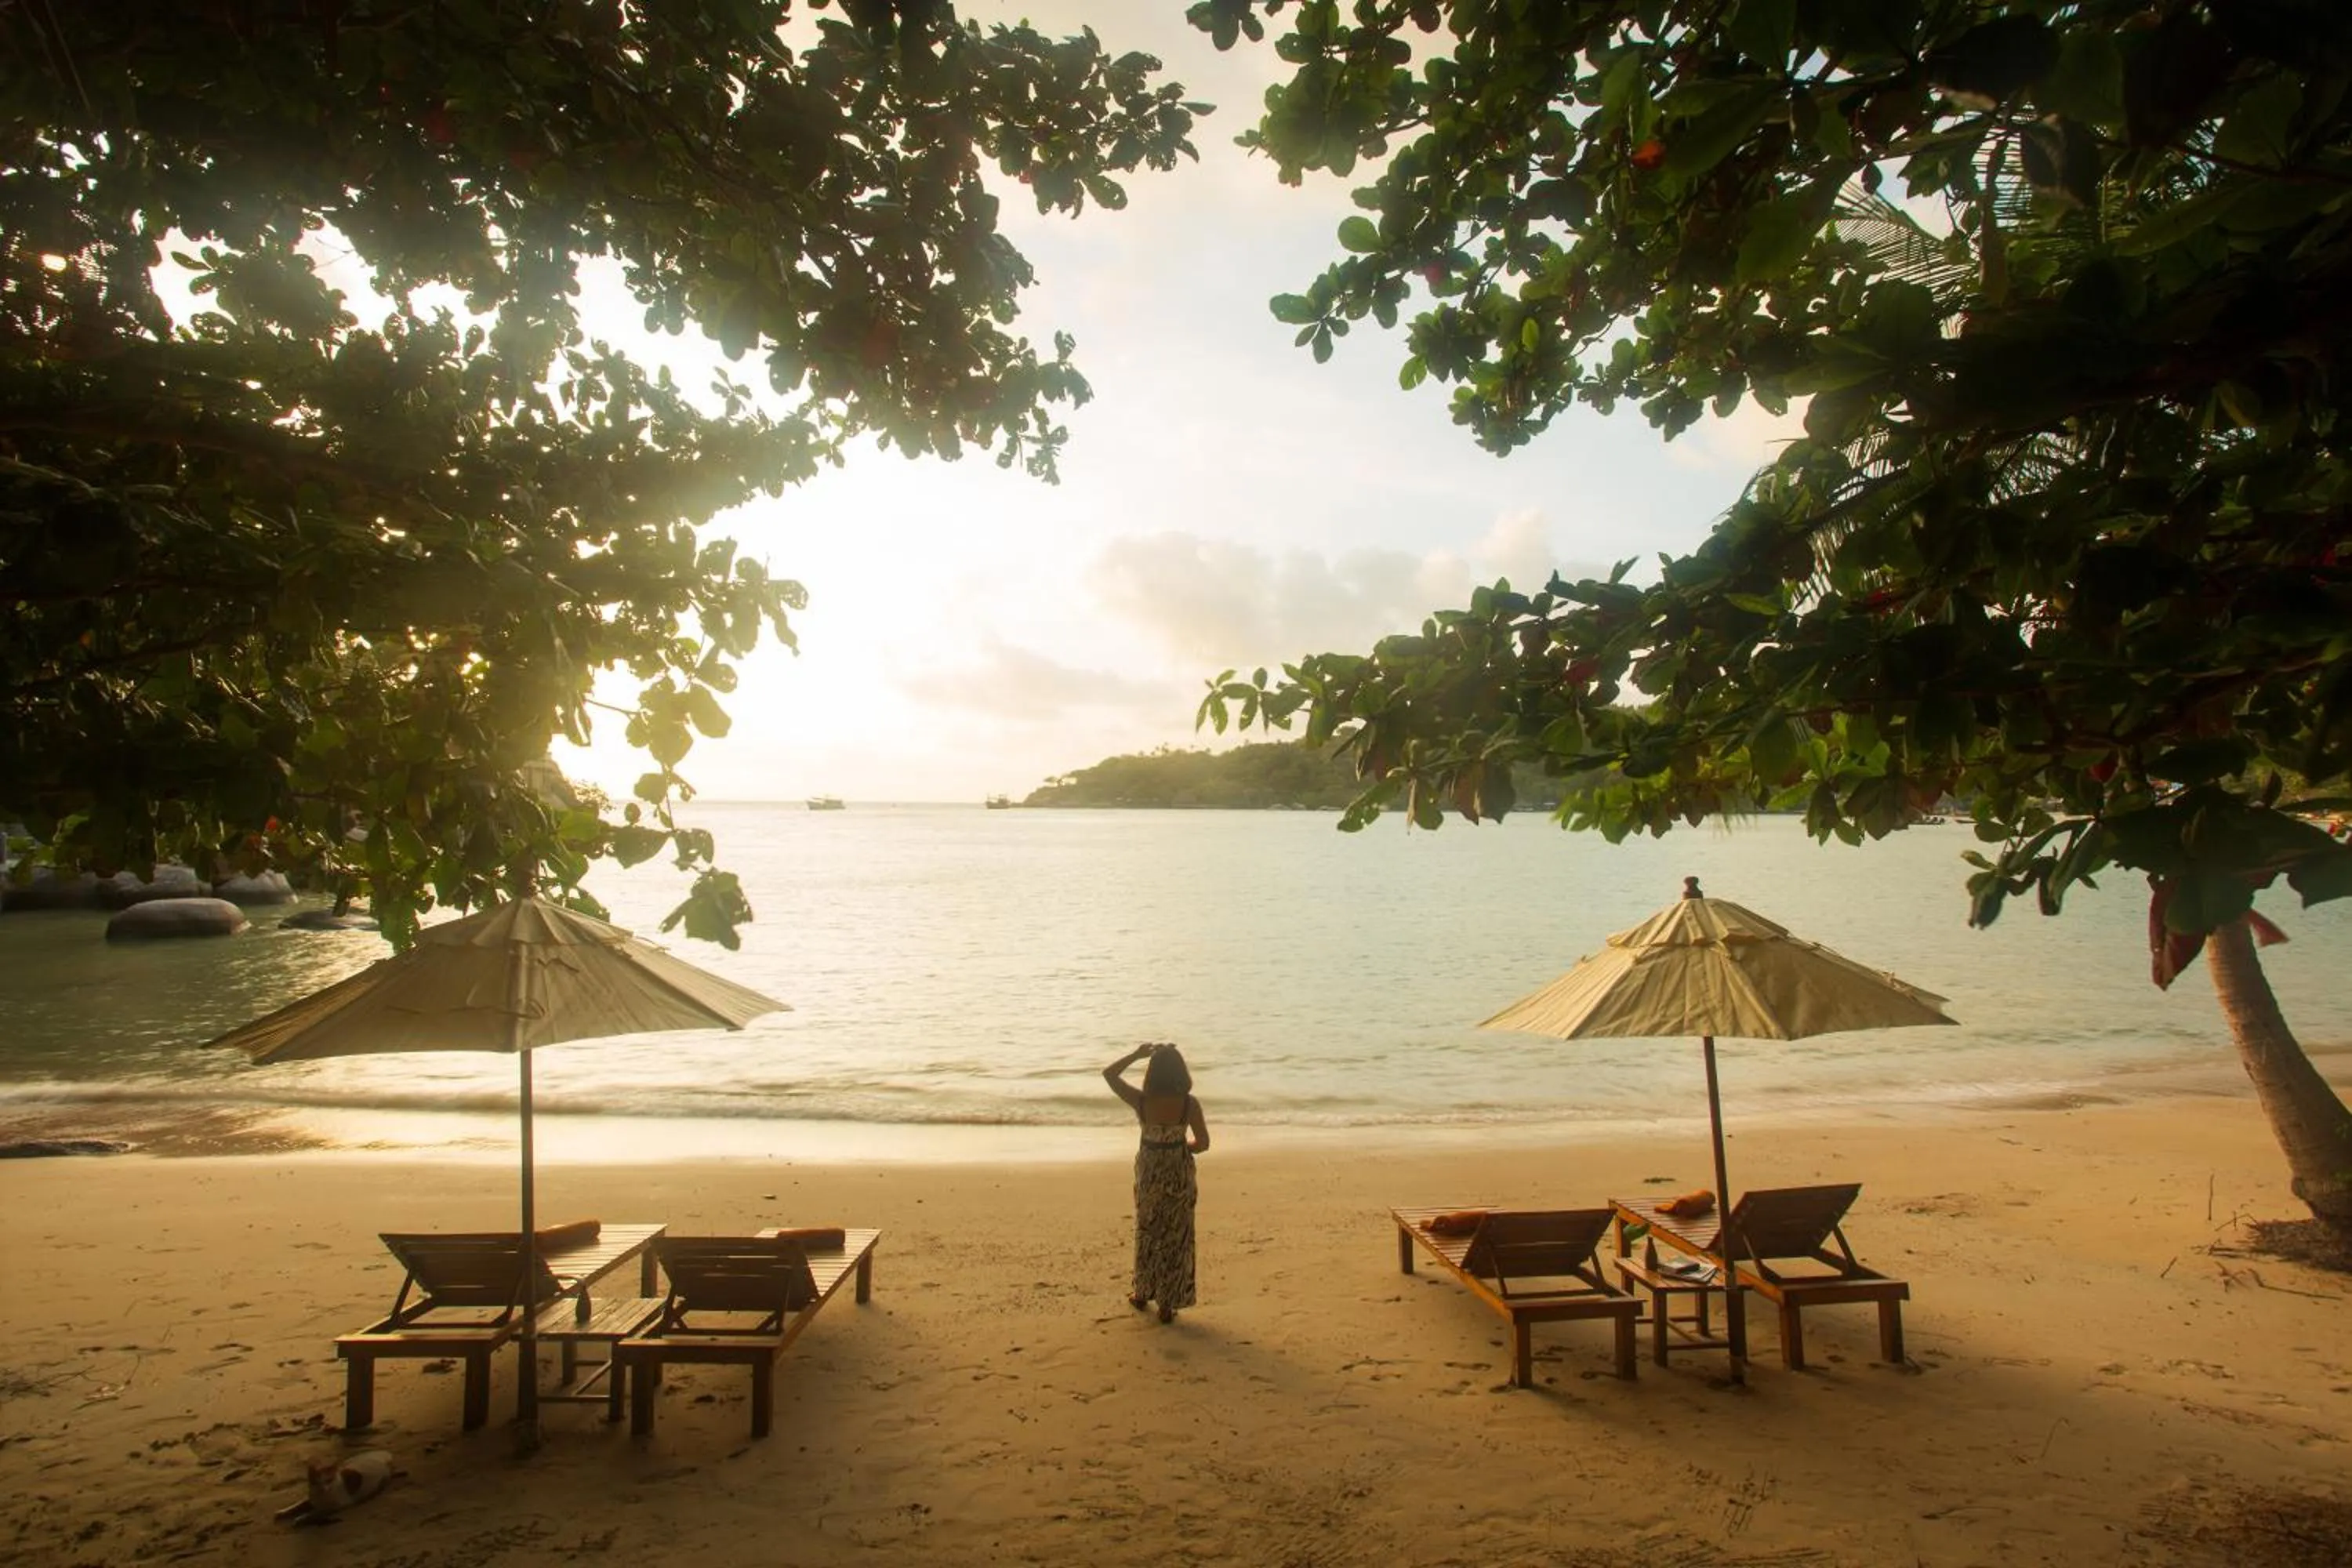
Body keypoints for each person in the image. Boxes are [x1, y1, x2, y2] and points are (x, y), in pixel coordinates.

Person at [1102, 1040, 1210, 1323]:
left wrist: (1137, 1055)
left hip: (1150, 1172)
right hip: (1178, 1171)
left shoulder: (1142, 1101)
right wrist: (1184, 1146)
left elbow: (1109, 1075)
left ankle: (1142, 1293)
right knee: (1176, 1236)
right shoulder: (1189, 1104)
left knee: (1148, 1232)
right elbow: (1204, 1144)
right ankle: (1167, 1305)